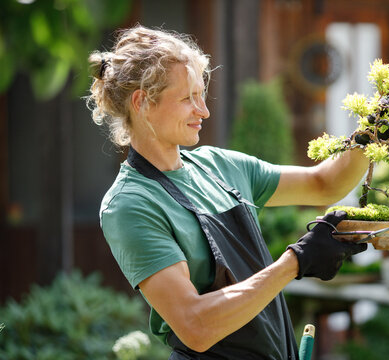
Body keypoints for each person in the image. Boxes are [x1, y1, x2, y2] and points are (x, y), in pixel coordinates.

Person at [87, 25, 369, 360]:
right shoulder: (131, 205)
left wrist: (369, 136)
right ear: (142, 102)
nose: (203, 110)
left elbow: (325, 184)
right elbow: (195, 326)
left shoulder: (220, 166)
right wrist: (296, 261)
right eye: (187, 98)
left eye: (201, 94)